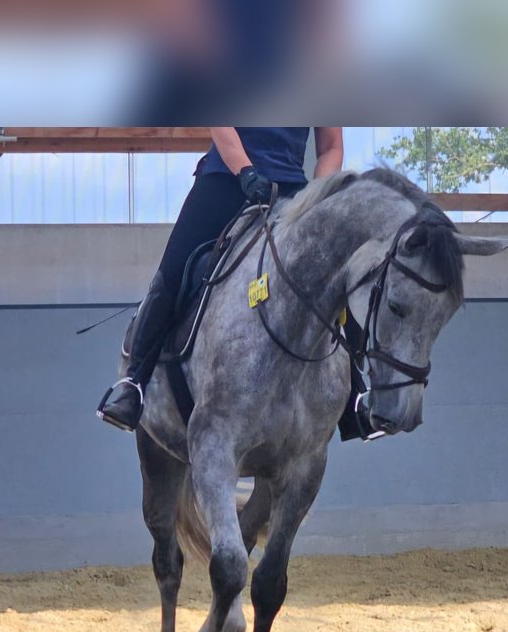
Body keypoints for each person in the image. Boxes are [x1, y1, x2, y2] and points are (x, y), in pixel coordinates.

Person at [97, 127, 344, 433]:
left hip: (293, 190)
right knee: (174, 270)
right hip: (227, 176)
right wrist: (246, 170)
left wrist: (317, 194)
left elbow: (331, 147)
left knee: (337, 274)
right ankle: (133, 383)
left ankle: (357, 394)